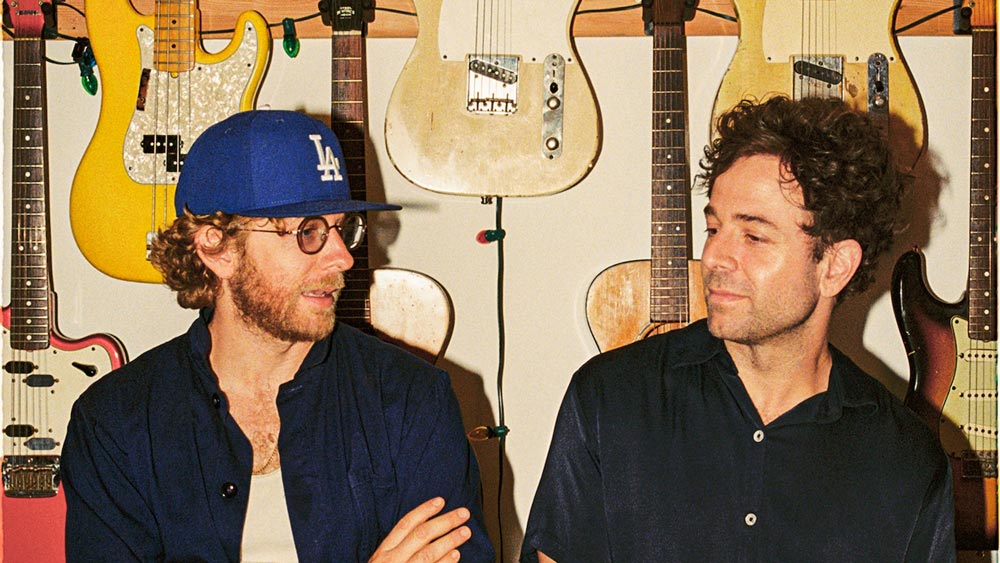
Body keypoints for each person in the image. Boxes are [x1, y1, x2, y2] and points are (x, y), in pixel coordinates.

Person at [520, 96, 956, 562]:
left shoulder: (905, 459)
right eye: (714, 229)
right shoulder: (612, 398)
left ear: (835, 266)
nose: (714, 258)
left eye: (754, 236)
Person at [62, 110, 496, 563]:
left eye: (343, 228)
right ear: (217, 248)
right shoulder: (117, 421)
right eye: (309, 232)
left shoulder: (411, 399)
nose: (343, 258)